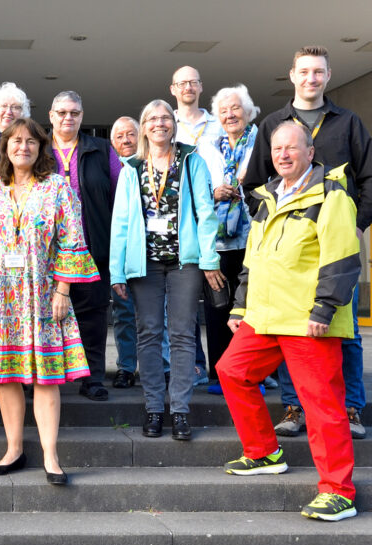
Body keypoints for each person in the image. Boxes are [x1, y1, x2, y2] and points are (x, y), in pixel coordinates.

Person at [218, 121, 359, 522]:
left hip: (306, 319)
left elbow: (343, 259)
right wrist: (240, 307)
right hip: (263, 315)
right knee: (232, 371)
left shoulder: (331, 196)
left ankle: (338, 492)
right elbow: (253, 259)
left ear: (309, 153)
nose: (283, 155)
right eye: (278, 149)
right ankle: (263, 452)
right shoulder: (267, 198)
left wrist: (324, 309)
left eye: (292, 148)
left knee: (321, 405)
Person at [243, 45, 372, 440]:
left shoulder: (348, 122)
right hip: (290, 252)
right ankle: (294, 407)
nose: (311, 78)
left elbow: (368, 179)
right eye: (304, 71)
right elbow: (254, 185)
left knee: (342, 326)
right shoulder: (273, 124)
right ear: (292, 75)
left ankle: (350, 408)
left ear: (328, 76)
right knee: (286, 328)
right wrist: (274, 228)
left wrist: (356, 225)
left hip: (337, 245)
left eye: (318, 72)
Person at [0, 118, 98, 485]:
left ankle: (51, 456)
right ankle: (13, 449)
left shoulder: (57, 187)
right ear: (5, 147)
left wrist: (63, 289)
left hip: (43, 296)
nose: (22, 147)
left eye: (30, 142)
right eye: (15, 141)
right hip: (0, 299)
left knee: (46, 377)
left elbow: (73, 240)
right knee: (7, 377)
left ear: (42, 148)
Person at [109, 100, 221, 441]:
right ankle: (155, 407)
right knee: (149, 333)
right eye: (152, 119)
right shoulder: (131, 169)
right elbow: (121, 222)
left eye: (165, 118)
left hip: (185, 262)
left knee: (184, 334)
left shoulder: (192, 162)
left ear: (174, 124)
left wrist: (210, 260)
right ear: (144, 127)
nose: (159, 123)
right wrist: (117, 271)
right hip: (145, 265)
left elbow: (205, 212)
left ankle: (181, 410)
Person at [48, 91, 121, 402]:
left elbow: (120, 197)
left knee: (92, 316)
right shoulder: (39, 150)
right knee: (44, 315)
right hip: (47, 254)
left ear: (82, 115)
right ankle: (40, 376)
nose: (68, 118)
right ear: (51, 115)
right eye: (62, 112)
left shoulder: (102, 149)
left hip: (93, 247)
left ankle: (92, 378)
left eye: (74, 113)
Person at [197, 85, 261, 391]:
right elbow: (197, 193)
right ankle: (219, 374)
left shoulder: (262, 143)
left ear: (248, 112)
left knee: (251, 305)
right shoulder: (208, 147)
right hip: (219, 241)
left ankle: (251, 373)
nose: (229, 115)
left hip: (254, 236)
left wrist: (251, 181)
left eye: (235, 108)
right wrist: (214, 192)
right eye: (222, 111)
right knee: (218, 305)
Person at [170, 65, 217, 384]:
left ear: (201, 87)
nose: (188, 87)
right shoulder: (163, 123)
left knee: (219, 301)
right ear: (172, 88)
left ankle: (226, 369)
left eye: (193, 82)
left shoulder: (218, 123)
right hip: (181, 222)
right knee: (184, 305)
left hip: (220, 218)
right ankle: (196, 365)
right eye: (181, 83)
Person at [108, 116, 140, 389]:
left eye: (131, 134)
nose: (126, 140)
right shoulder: (109, 169)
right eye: (120, 136)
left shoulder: (148, 165)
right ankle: (126, 367)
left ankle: (163, 368)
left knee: (158, 316)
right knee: (123, 312)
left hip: (148, 251)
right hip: (118, 249)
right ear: (112, 142)